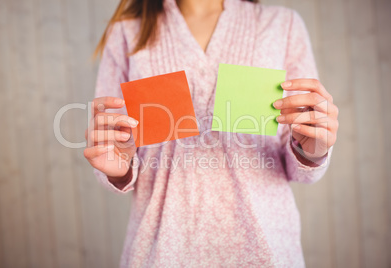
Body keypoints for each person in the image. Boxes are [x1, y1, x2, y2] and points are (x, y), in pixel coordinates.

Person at [84, 0, 339, 266]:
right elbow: (117, 145)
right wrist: (117, 166)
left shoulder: (282, 25)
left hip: (263, 249)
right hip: (163, 250)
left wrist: (312, 148)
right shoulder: (126, 31)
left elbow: (299, 167)